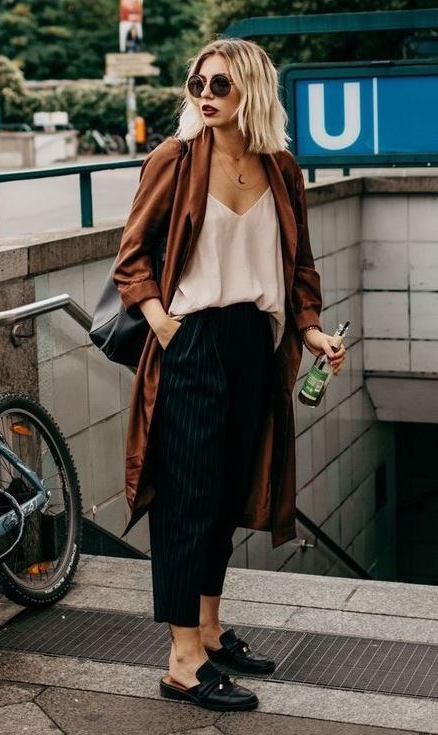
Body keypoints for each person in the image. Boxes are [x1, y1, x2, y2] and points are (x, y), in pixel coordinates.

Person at [112, 38, 346, 712]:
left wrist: (310, 330)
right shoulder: (176, 159)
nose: (205, 94)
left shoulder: (280, 168)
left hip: (255, 344)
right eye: (195, 84)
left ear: (252, 91)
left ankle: (209, 631)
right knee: (186, 498)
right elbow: (131, 257)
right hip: (191, 340)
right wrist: (161, 323)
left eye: (219, 84)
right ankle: (182, 659)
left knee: (225, 493)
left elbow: (297, 265)